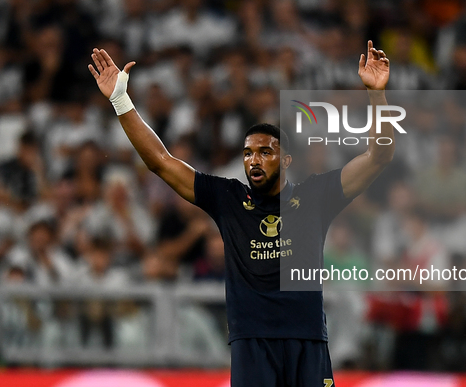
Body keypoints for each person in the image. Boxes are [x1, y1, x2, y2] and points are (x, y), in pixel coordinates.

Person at [88, 40, 394, 387]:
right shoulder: (228, 198)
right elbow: (160, 161)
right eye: (248, 153)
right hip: (252, 343)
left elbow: (378, 158)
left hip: (307, 338)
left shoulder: (315, 197)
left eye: (266, 152)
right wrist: (120, 100)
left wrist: (376, 95)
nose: (254, 160)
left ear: (287, 161)